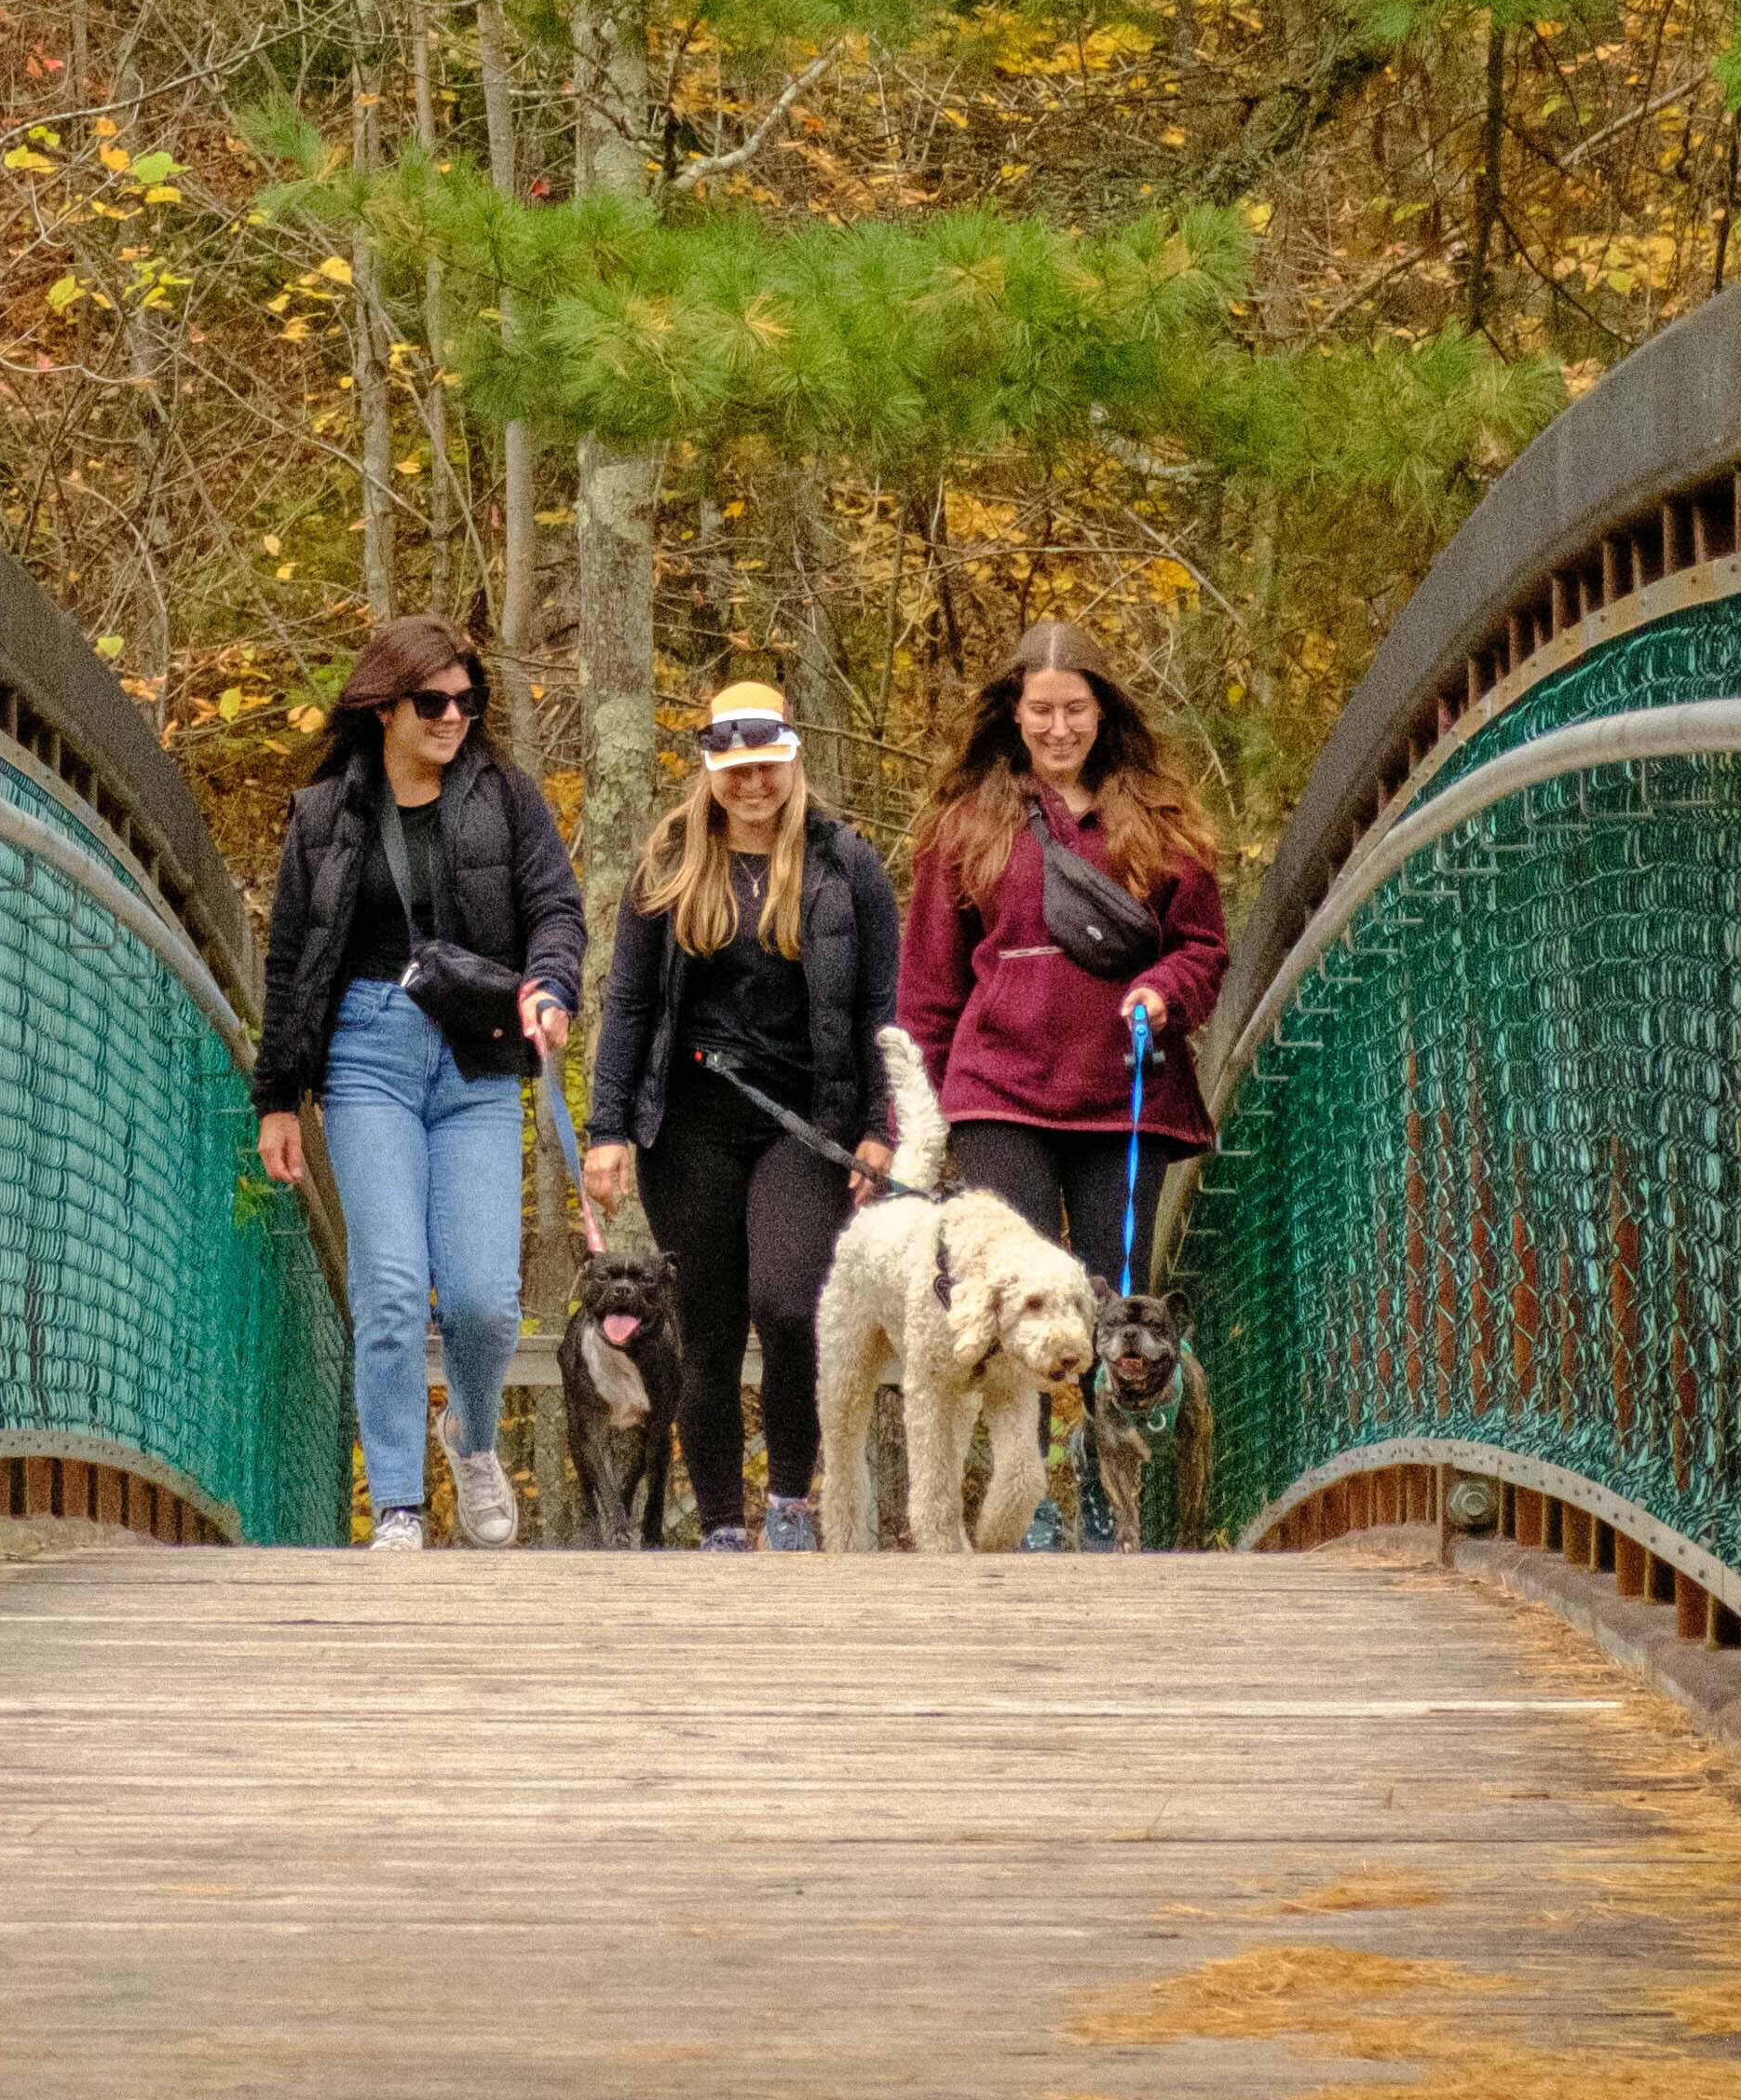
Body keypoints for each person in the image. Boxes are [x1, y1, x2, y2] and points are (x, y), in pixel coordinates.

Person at [249, 615, 582, 1549]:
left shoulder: (507, 797)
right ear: (385, 705)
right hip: (366, 1054)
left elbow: (557, 905)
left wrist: (551, 983)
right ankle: (397, 1499)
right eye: (433, 702)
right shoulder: (322, 815)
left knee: (483, 1300)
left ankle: (471, 1439)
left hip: (476, 1057)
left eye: (467, 702)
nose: (453, 717)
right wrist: (279, 1096)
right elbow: (290, 963)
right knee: (391, 1287)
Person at [582, 678, 903, 1557]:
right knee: (709, 1329)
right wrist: (607, 1129)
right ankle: (724, 1520)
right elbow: (631, 1005)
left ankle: (793, 1500)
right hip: (687, 1124)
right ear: (711, 771)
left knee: (791, 1305)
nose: (753, 784)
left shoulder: (847, 863)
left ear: (791, 761)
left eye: (767, 766)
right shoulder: (669, 862)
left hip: (807, 1121)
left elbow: (884, 1001)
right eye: (736, 770)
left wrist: (882, 1126)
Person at [892, 620, 1234, 1440]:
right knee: (1018, 1302)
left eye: (1074, 709)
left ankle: (1113, 1498)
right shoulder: (966, 826)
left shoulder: (1164, 820)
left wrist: (1160, 989)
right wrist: (922, 1122)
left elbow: (1203, 949)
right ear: (1013, 713)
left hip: (1126, 1089)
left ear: (1103, 710)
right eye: (1041, 710)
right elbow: (929, 986)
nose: (1058, 729)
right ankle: (1032, 1498)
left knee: (1118, 1310)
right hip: (999, 1092)